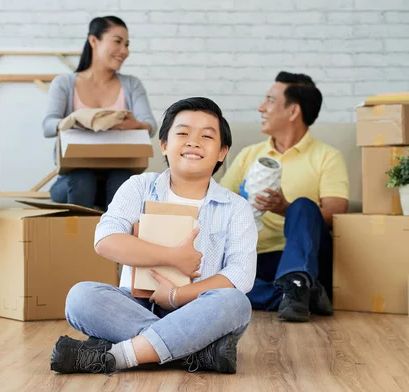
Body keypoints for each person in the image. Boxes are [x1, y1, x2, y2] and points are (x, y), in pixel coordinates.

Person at [49, 97, 257, 375]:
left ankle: (117, 356)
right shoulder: (139, 186)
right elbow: (106, 239)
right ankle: (197, 352)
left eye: (206, 136)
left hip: (199, 310)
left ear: (222, 152)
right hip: (133, 304)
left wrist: (175, 295)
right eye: (182, 133)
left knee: (235, 303)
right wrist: (174, 257)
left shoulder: (237, 207)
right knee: (80, 297)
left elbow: (240, 276)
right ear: (164, 145)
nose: (193, 142)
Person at [220, 71, 349, 322]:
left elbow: (335, 213)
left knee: (302, 206)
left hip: (308, 258)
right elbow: (219, 201)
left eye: (269, 100)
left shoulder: (327, 156)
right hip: (257, 258)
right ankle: (296, 294)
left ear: (293, 111)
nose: (261, 107)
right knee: (218, 288)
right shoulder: (249, 154)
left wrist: (284, 208)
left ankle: (297, 279)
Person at [42, 16, 157, 210]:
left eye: (127, 44)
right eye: (118, 42)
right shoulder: (64, 83)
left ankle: (114, 237)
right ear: (94, 41)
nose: (124, 51)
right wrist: (72, 121)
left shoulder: (131, 84)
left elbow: (150, 125)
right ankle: (78, 239)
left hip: (119, 172)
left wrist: (136, 125)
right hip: (73, 177)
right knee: (82, 178)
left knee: (124, 181)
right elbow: (47, 126)